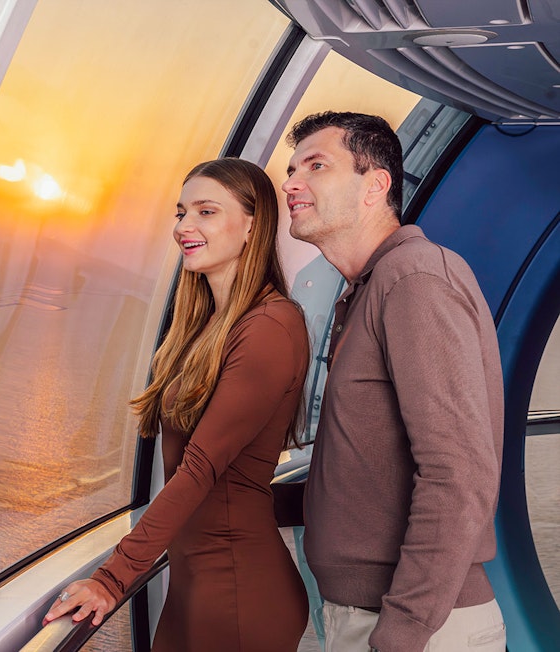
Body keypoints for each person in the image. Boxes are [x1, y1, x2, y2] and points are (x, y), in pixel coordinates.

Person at [43, 158, 310, 651]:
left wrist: (113, 578)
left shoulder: (270, 326)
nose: (184, 227)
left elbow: (200, 467)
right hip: (197, 589)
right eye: (181, 212)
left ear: (254, 225)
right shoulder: (211, 327)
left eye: (206, 212)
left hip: (238, 596)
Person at [279, 111, 506, 651]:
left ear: (375, 185)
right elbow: (368, 465)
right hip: (374, 616)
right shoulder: (368, 289)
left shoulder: (415, 280)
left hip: (418, 627)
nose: (290, 183)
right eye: (290, 170)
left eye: (316, 165)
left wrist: (402, 633)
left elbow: (460, 474)